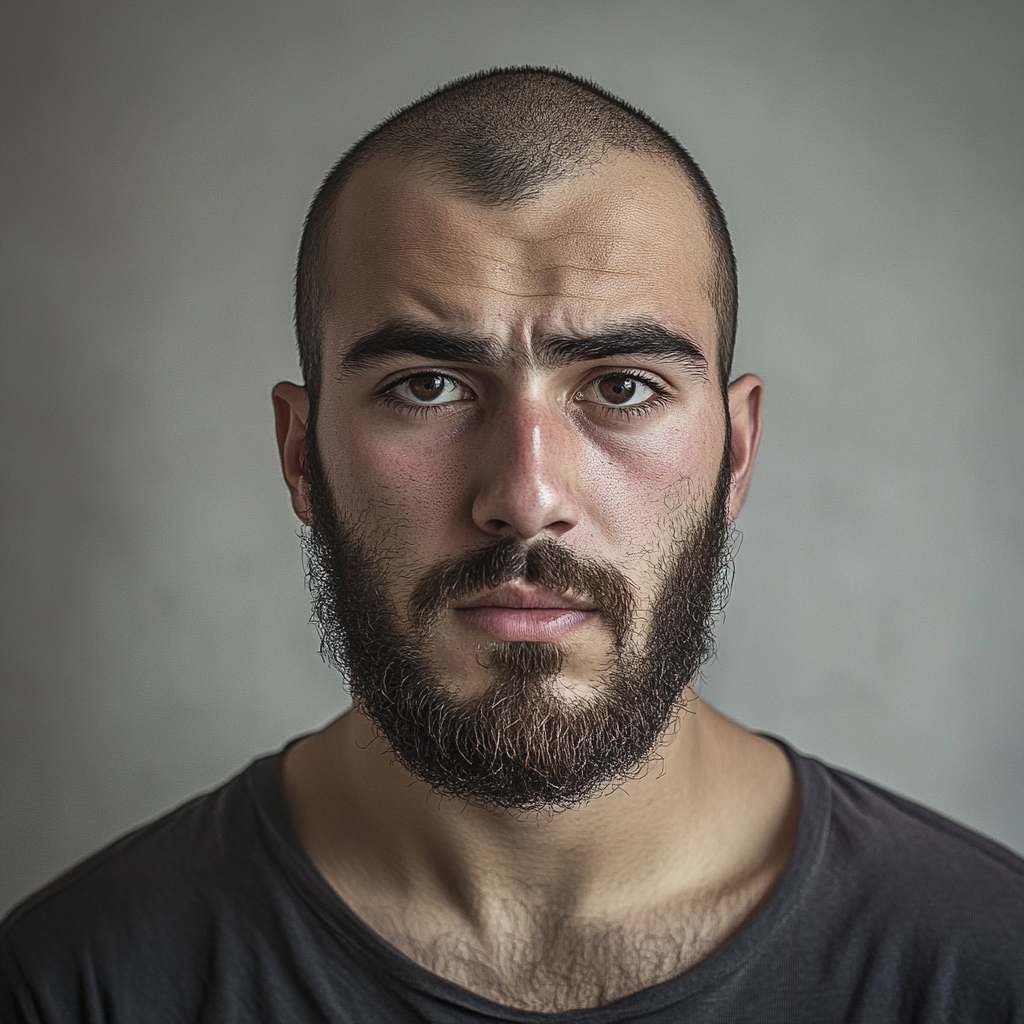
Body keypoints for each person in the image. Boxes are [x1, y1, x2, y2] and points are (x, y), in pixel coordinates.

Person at [2, 66, 1022, 1023]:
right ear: (300, 455)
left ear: (736, 453)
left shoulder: (985, 965)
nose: (526, 499)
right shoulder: (73, 984)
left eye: (621, 387)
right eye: (426, 387)